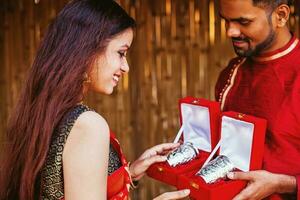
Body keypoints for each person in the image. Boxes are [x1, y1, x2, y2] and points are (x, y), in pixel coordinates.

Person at [0, 0, 190, 199]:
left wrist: (129, 173)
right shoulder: (88, 126)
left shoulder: (44, 113)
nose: (126, 67)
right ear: (87, 51)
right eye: (121, 53)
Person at [215, 0, 299, 199]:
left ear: (280, 15)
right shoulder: (231, 72)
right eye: (226, 21)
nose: (230, 32)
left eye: (243, 22)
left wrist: (284, 184)